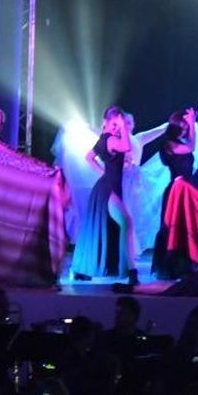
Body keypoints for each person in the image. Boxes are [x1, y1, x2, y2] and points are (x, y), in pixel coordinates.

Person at [73, 108, 139, 287]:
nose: (119, 128)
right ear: (106, 123)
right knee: (126, 222)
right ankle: (131, 271)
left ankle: (82, 269)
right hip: (108, 189)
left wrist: (103, 172)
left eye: (120, 125)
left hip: (107, 185)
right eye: (115, 124)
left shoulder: (104, 139)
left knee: (108, 227)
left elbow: (89, 157)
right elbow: (126, 147)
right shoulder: (109, 139)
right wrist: (124, 126)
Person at [144, 107, 198, 280]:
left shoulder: (181, 141)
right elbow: (192, 147)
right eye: (182, 125)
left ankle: (186, 265)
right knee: (174, 228)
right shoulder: (168, 143)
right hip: (177, 191)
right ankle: (170, 266)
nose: (185, 128)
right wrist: (192, 122)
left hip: (188, 188)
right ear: (175, 125)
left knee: (188, 227)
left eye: (186, 126)